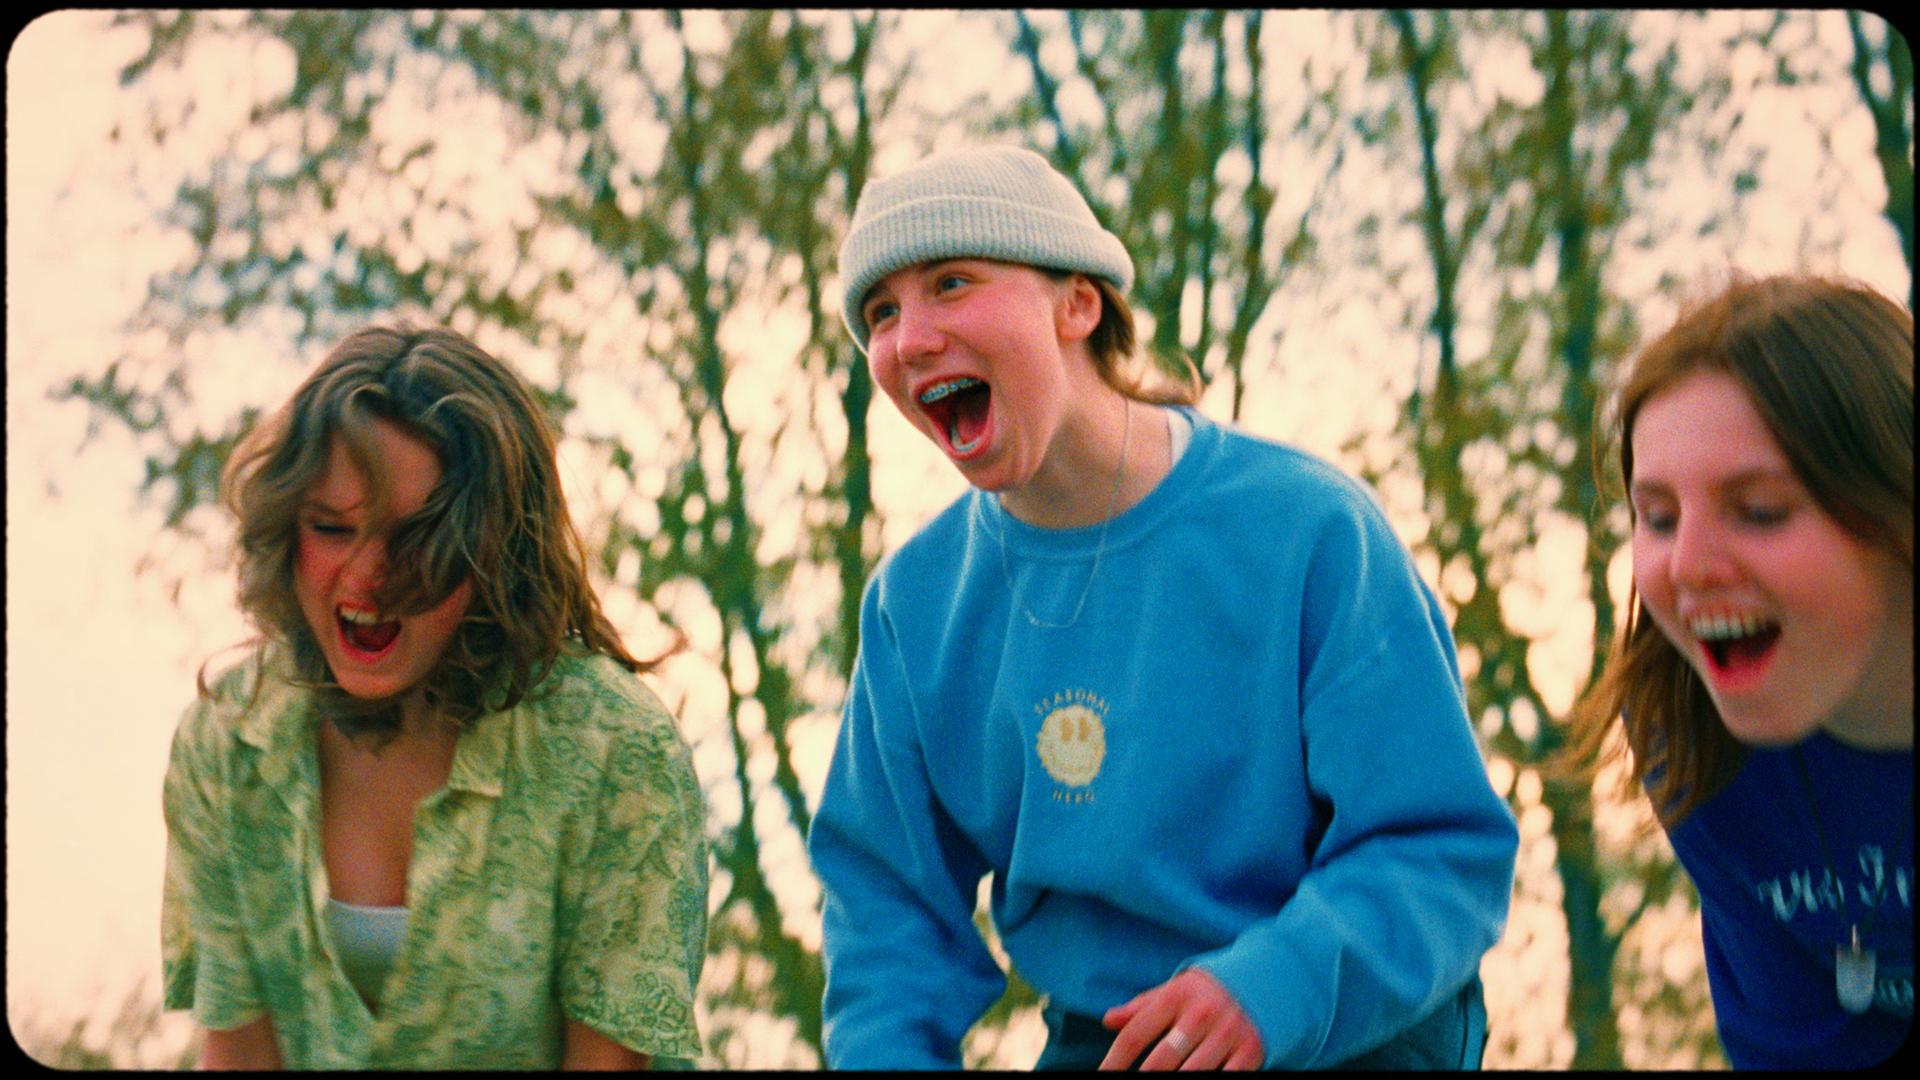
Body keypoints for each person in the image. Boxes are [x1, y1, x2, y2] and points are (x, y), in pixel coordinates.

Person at [807, 144, 1519, 1070]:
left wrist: (1273, 989)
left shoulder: (1309, 531)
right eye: (881, 313)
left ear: (1078, 304)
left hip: (1345, 1018)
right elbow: (885, 928)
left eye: (951, 283)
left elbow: (1443, 853)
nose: (908, 338)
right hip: (1113, 1040)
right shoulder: (915, 609)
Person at [161, 324, 708, 1069]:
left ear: (497, 548)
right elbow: (238, 1052)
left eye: (416, 537)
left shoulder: (617, 750)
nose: (367, 576)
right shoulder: (226, 741)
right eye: (331, 528)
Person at [1563, 272, 1912, 1068]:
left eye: (1759, 510)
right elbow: (1800, 1047)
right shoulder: (1687, 725)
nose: (1687, 565)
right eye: (1657, 518)